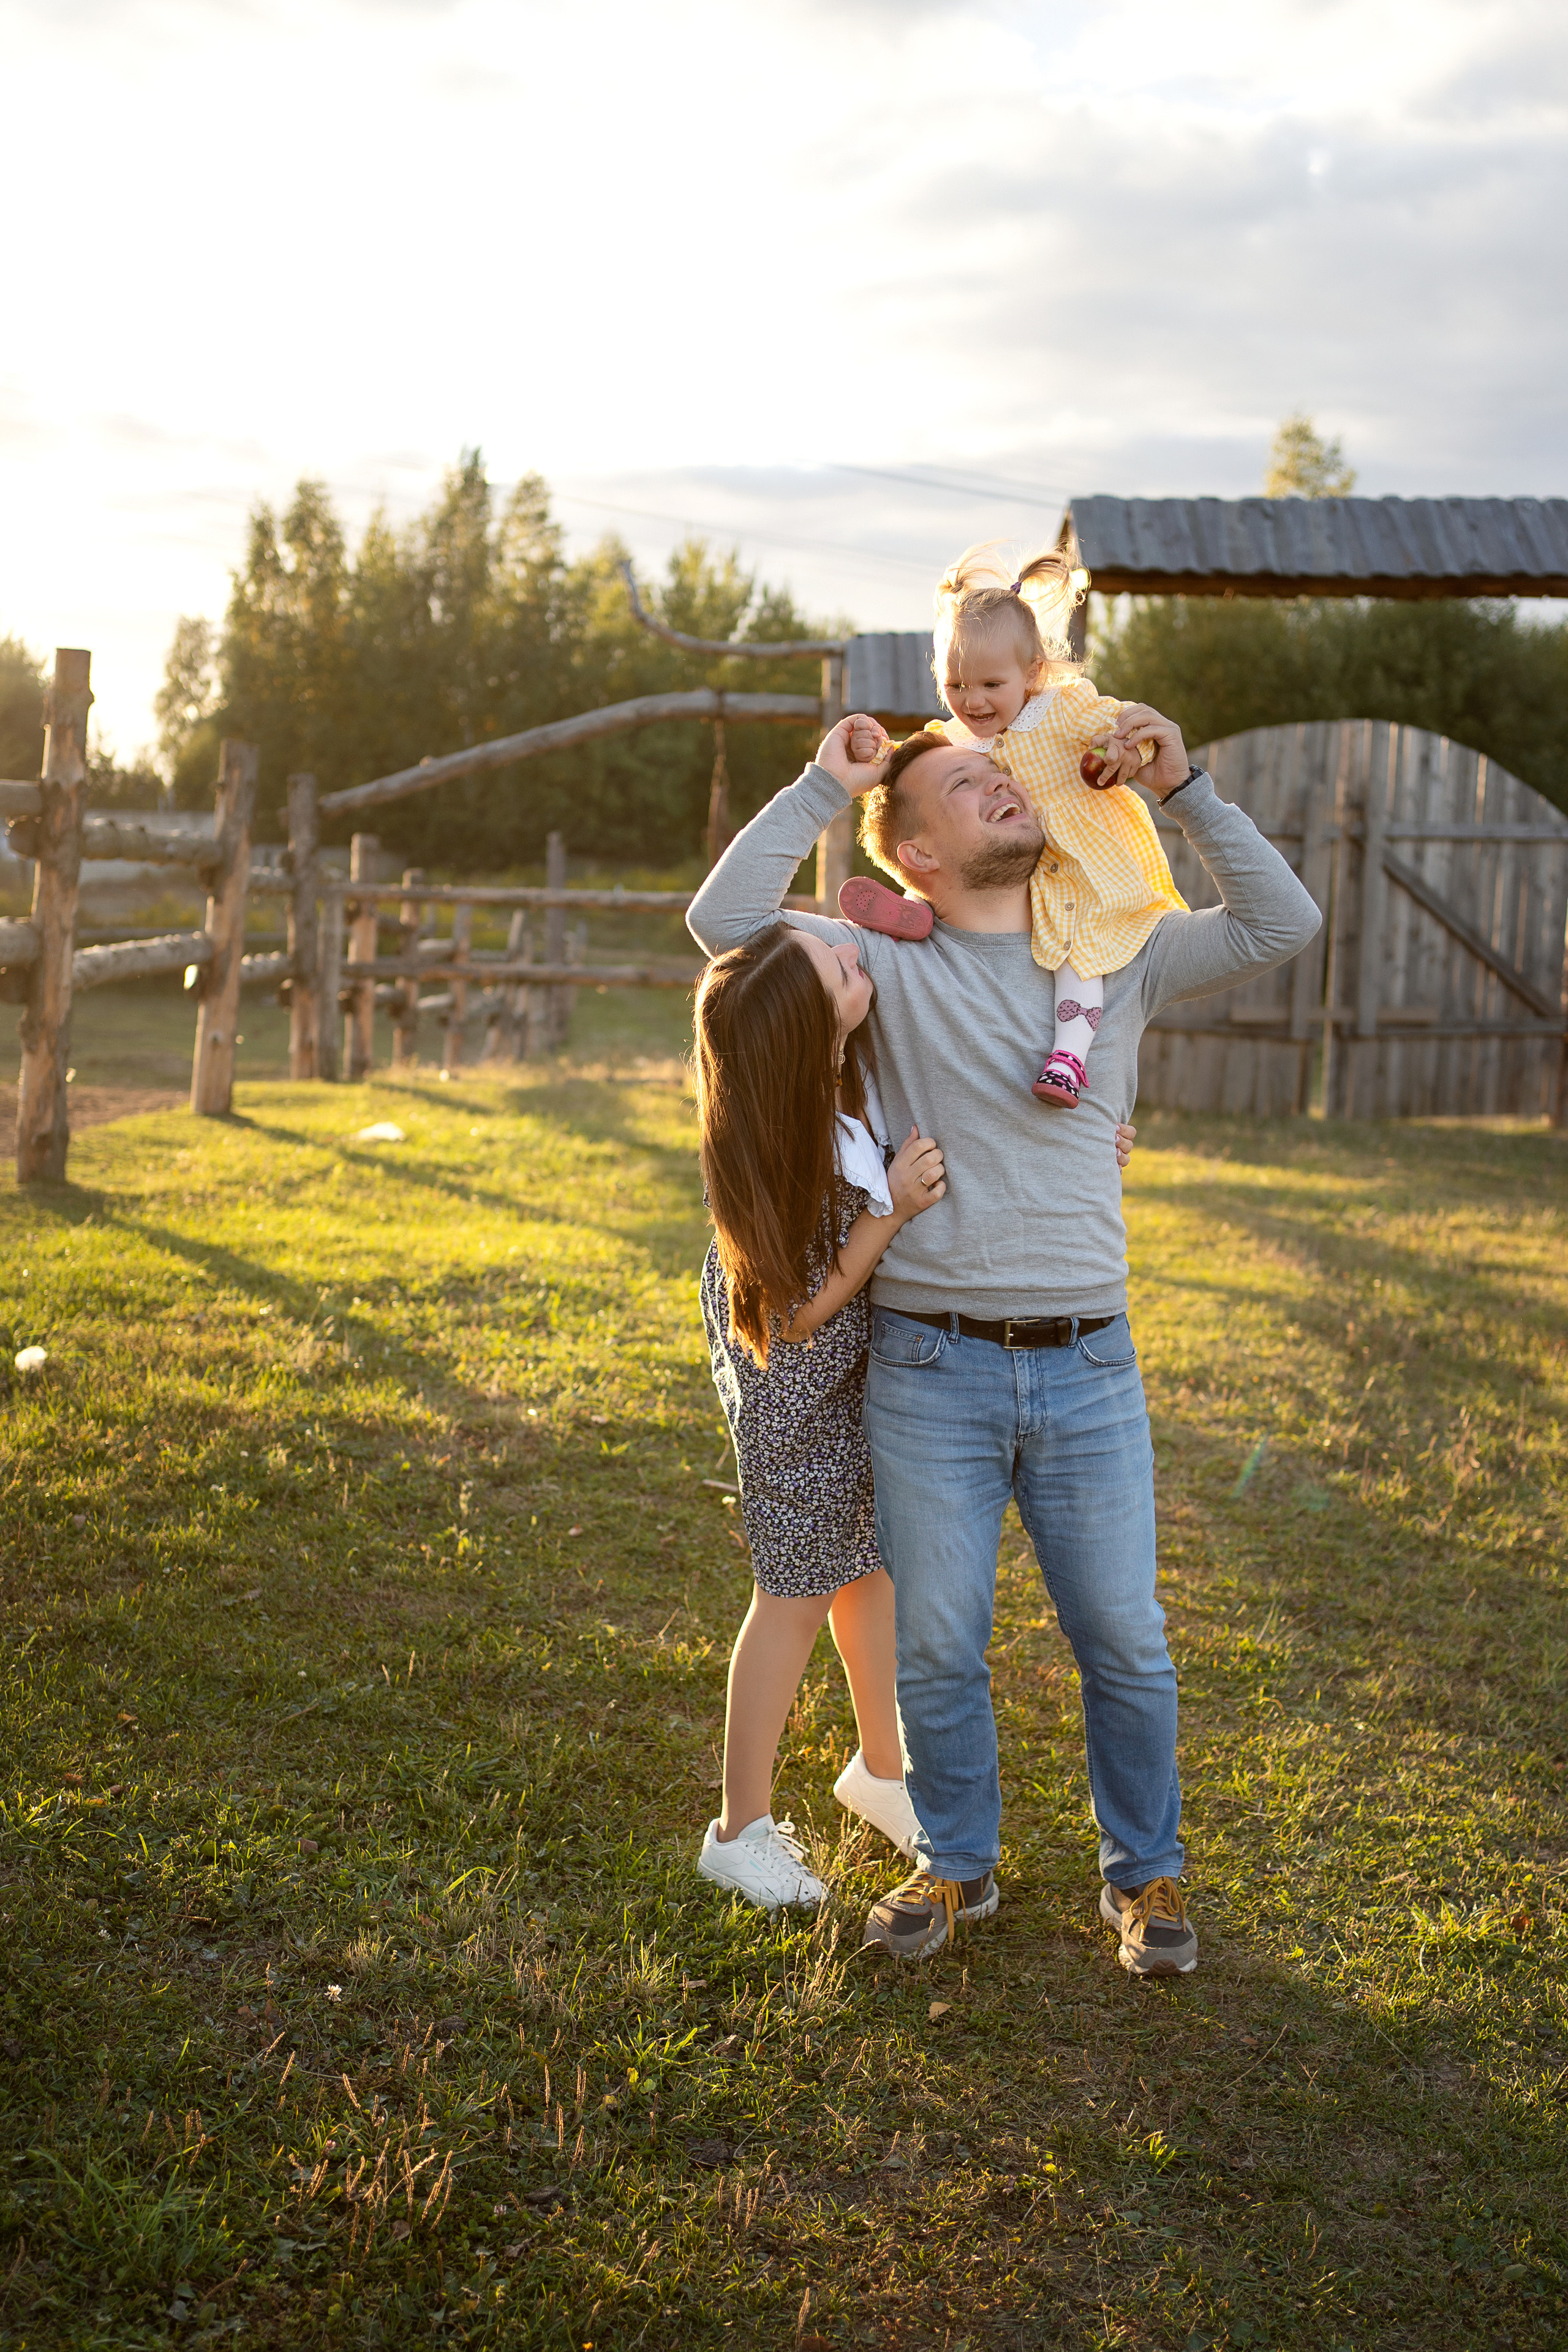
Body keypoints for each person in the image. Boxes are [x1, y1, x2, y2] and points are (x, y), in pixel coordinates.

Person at [688, 701, 1321, 1974]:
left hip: (1091, 1363)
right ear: (910, 851)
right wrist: (826, 785)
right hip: (928, 1363)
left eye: (1002, 772)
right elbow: (720, 928)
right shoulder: (890, 969)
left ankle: (1141, 1875)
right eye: (969, 781)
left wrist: (1185, 788)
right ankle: (954, 1864)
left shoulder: (1117, 956)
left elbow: (1280, 925)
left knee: (1122, 1638)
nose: (1005, 784)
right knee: (935, 1640)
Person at [692, 915, 1142, 1910]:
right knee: (795, 1593)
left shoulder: (849, 1078)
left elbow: (967, 1129)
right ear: (806, 1027)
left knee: (873, 1569)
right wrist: (888, 1212)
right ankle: (740, 1829)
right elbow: (794, 1314)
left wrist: (1081, 1136)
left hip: (864, 1371)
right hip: (796, 1387)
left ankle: (882, 1775)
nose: (858, 957)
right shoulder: (780, 1136)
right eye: (838, 967)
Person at [840, 543, 1187, 1110]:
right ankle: (909, 913)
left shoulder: (1064, 710)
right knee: (940, 858)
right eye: (956, 685)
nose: (972, 702)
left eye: (990, 686)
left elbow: (1124, 725)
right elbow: (903, 770)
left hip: (1080, 872)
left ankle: (1069, 1057)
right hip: (1026, 874)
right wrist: (869, 744)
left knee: (1082, 956)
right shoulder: (955, 736)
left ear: (1032, 674)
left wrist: (1124, 749)